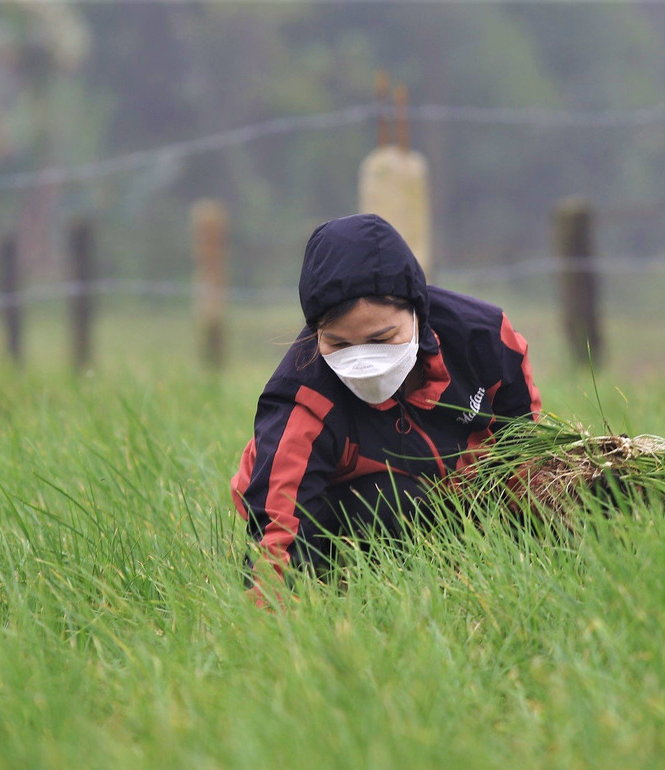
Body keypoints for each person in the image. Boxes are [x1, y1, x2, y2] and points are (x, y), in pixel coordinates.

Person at [229, 213, 542, 606]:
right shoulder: (300, 396)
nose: (364, 361)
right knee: (395, 501)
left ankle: (455, 577)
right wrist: (267, 625)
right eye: (339, 344)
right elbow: (279, 522)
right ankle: (363, 594)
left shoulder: (486, 339)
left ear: (416, 311)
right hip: (342, 510)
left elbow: (524, 456)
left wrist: (531, 553)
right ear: (315, 333)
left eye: (382, 337)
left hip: (450, 499)